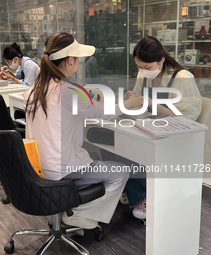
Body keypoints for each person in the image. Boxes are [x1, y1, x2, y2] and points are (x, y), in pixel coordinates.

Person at [23, 32, 143, 229]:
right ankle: (78, 214)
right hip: (64, 170)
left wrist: (96, 103)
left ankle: (68, 207)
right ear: (70, 60)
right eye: (77, 59)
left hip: (38, 168)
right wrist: (129, 103)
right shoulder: (69, 91)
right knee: (122, 171)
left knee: (94, 156)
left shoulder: (34, 89)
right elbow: (102, 113)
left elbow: (83, 107)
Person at [120, 36, 202, 220]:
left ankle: (143, 196)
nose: (142, 71)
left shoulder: (182, 77)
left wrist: (154, 104)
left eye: (147, 67)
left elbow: (189, 115)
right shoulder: (144, 75)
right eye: (139, 67)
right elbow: (141, 101)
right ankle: (133, 189)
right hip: (152, 125)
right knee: (122, 145)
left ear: (161, 60)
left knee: (135, 148)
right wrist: (133, 98)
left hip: (176, 134)